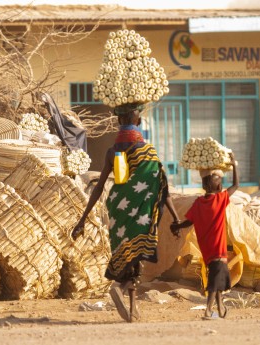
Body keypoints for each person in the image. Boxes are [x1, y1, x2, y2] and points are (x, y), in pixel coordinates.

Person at [71, 102, 180, 323]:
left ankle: (132, 308)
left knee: (125, 253)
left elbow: (100, 186)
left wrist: (83, 219)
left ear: (119, 121)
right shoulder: (149, 151)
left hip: (118, 208)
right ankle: (121, 288)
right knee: (138, 255)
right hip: (141, 210)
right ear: (138, 122)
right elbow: (162, 186)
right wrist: (176, 218)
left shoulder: (113, 152)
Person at [170, 152, 239, 320]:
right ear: (215, 185)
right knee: (215, 282)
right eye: (219, 180)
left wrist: (177, 225)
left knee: (218, 278)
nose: (222, 183)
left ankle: (221, 308)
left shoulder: (199, 203)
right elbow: (236, 185)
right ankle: (208, 310)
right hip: (218, 250)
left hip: (207, 251)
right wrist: (234, 164)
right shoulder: (220, 199)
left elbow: (188, 222)